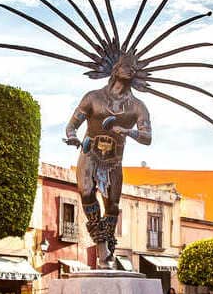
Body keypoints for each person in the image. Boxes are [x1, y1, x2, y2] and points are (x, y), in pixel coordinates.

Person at [63, 56, 152, 266]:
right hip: (89, 153)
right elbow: (71, 125)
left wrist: (128, 131)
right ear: (115, 69)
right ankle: (101, 244)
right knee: (85, 191)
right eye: (126, 66)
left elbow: (147, 137)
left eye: (134, 68)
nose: (131, 70)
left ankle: (108, 245)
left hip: (113, 161)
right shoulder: (93, 97)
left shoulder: (138, 106)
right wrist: (73, 137)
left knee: (112, 205)